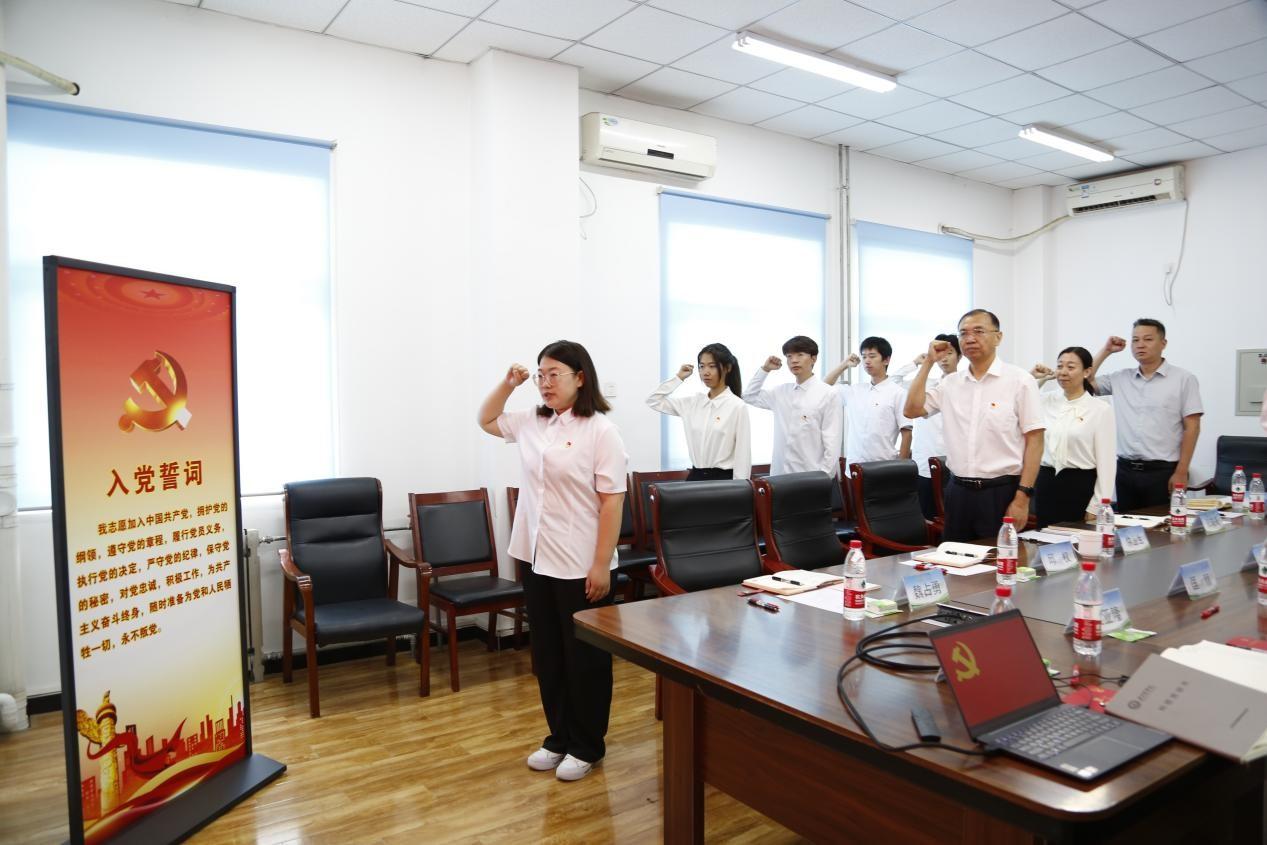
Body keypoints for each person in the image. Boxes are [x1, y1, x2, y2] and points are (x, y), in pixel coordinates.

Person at [477, 340, 627, 783]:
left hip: (581, 561)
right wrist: (509, 384)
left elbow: (612, 502)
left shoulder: (601, 431)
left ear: (580, 378)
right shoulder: (532, 421)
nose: (545, 383)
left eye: (554, 374)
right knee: (548, 654)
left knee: (586, 658)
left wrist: (601, 564)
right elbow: (486, 419)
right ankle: (558, 737)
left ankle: (587, 745)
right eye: (540, 375)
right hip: (536, 556)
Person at [903, 309, 1044, 542]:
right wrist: (928, 363)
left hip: (1002, 492)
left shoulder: (1020, 381)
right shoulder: (950, 384)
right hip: (957, 491)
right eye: (964, 333)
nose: (970, 338)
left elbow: (1035, 440)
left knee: (998, 560)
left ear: (998, 337)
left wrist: (1023, 497)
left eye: (978, 331)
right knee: (955, 559)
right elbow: (912, 410)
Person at [1088, 319, 1203, 511]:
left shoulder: (1184, 379)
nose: (1140, 345)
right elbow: (1085, 381)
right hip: (1125, 470)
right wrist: (1106, 351)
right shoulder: (1120, 378)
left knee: (1162, 526)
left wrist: (1182, 471)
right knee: (1126, 526)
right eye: (1135, 340)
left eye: (1148, 339)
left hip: (1163, 472)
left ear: (1163, 343)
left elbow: (1192, 427)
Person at [1029, 347, 1116, 526]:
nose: (1063, 372)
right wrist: (1036, 378)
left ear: (1087, 372)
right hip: (1046, 483)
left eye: (1070, 367)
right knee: (1045, 538)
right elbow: (1018, 401)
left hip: (1080, 485)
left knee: (1078, 539)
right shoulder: (1046, 400)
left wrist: (1097, 505)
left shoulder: (1100, 409)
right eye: (1060, 366)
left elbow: (1107, 464)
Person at [646, 343, 751, 481]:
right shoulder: (693, 403)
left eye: (712, 366)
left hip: (724, 481)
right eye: (702, 366)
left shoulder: (737, 406)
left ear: (727, 368)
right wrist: (678, 378)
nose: (705, 372)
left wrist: (740, 488)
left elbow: (743, 455)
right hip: (695, 478)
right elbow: (653, 400)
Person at [743, 335, 842, 477]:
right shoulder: (780, 392)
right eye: (789, 356)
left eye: (800, 355)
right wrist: (765, 369)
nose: (794, 360)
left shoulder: (828, 393)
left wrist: (824, 476)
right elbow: (749, 396)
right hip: (779, 476)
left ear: (813, 358)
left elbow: (832, 441)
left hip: (811, 477)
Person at [893, 334, 961, 519]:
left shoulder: (965, 385)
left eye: (950, 353)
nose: (944, 358)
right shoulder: (926, 384)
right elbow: (893, 383)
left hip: (952, 463)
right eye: (941, 353)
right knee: (927, 517)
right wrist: (916, 363)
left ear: (960, 356)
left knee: (952, 517)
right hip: (924, 462)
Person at [824, 336, 912, 474]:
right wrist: (844, 365)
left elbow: (907, 434)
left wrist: (901, 469)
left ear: (886, 360)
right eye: (864, 357)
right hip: (853, 469)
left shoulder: (898, 393)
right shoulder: (855, 390)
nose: (867, 361)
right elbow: (824, 388)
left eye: (872, 356)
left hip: (885, 468)